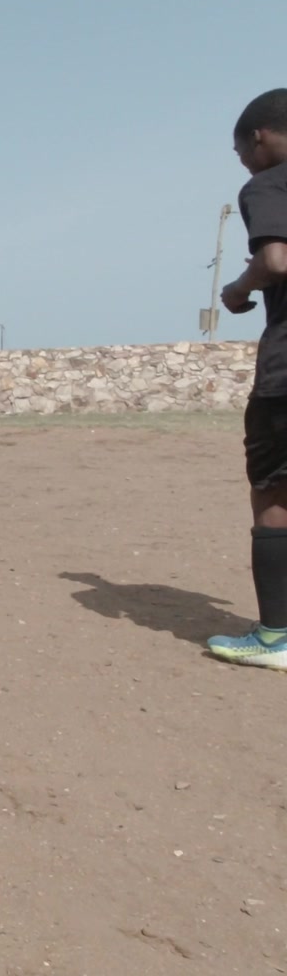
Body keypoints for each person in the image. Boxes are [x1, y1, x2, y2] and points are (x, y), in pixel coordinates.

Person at [211, 88, 287, 667]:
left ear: (258, 137)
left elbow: (275, 261)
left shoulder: (267, 184)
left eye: (240, 149)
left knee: (272, 493)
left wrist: (238, 290)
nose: (241, 160)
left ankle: (275, 638)